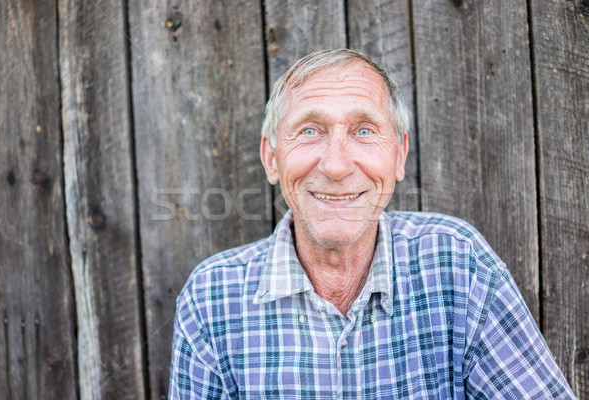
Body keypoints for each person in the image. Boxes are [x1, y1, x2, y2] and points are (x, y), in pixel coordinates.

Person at [168, 49, 576, 399]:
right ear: (272, 158)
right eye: (309, 130)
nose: (337, 165)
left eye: (364, 131)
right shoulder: (210, 299)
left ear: (399, 155)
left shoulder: (457, 265)